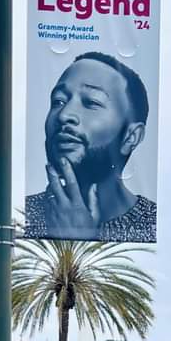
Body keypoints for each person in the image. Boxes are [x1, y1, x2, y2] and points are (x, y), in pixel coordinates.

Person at [24, 51, 155, 243]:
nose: (64, 114)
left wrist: (76, 239)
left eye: (91, 102)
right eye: (58, 101)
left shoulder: (151, 223)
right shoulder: (22, 217)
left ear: (130, 137)